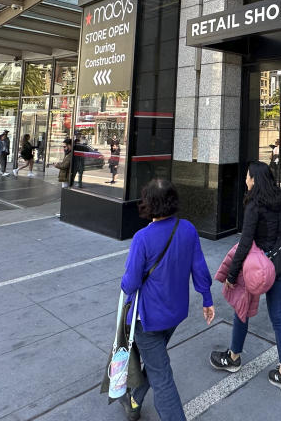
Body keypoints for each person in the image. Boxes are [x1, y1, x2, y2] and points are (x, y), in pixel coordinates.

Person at [118, 179, 214, 421]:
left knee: (162, 378)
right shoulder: (188, 229)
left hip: (147, 320)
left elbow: (130, 283)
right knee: (156, 360)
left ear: (148, 204)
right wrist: (207, 299)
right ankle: (133, 401)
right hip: (175, 314)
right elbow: (200, 269)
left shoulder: (142, 238)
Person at [210, 161, 281, 393]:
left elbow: (245, 243)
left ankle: (234, 357)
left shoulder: (254, 206)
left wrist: (232, 273)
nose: (245, 180)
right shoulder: (277, 200)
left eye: (247, 177)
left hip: (257, 268)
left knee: (242, 308)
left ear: (255, 180)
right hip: (279, 262)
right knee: (278, 317)